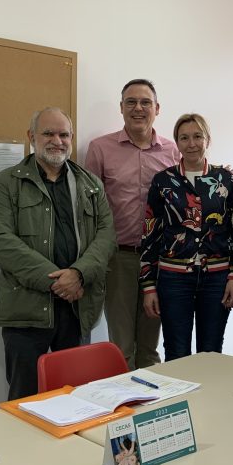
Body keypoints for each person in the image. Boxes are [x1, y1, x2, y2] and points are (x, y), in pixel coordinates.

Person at [0, 107, 116, 400]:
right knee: (25, 398)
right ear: (32, 137)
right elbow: (2, 241)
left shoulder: (91, 184)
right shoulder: (8, 182)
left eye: (64, 134)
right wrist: (58, 282)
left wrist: (79, 274)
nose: (57, 140)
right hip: (26, 311)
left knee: (75, 397)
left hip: (76, 309)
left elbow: (106, 236)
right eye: (48, 133)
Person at [85, 79, 180, 369]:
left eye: (145, 102)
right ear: (121, 108)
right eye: (131, 102)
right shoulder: (100, 149)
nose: (138, 108)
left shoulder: (173, 150)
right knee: (122, 347)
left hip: (162, 261)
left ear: (157, 108)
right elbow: (89, 209)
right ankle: (124, 410)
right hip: (119, 259)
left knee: (150, 347)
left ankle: (152, 410)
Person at [140, 114, 233, 361]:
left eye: (197, 136)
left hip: (217, 278)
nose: (191, 143)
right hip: (174, 280)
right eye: (184, 138)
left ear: (208, 139)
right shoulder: (163, 181)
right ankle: (180, 400)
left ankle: (209, 400)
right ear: (176, 142)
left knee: (211, 351)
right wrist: (148, 285)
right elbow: (150, 232)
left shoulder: (225, 179)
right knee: (176, 351)